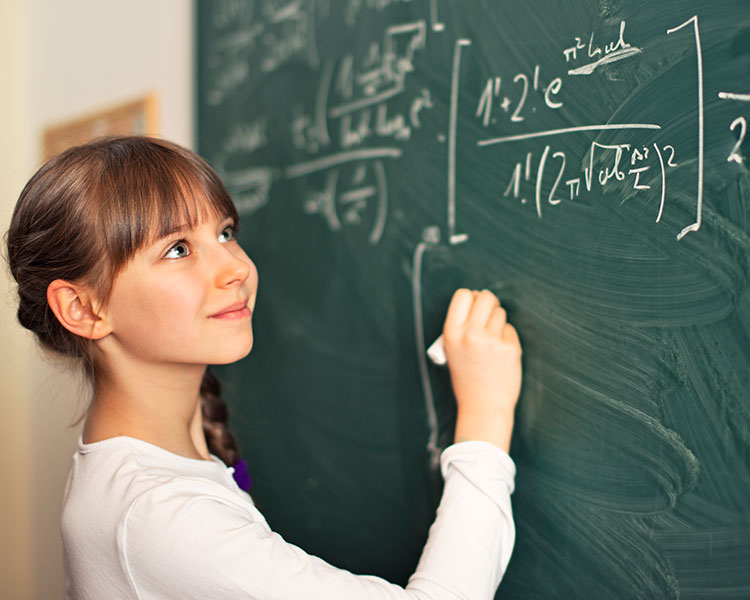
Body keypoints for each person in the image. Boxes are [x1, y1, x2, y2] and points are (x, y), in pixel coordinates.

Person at [6, 136, 522, 599]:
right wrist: (486, 415)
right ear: (84, 308)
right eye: (178, 249)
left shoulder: (140, 472)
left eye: (226, 232)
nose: (237, 267)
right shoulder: (160, 517)